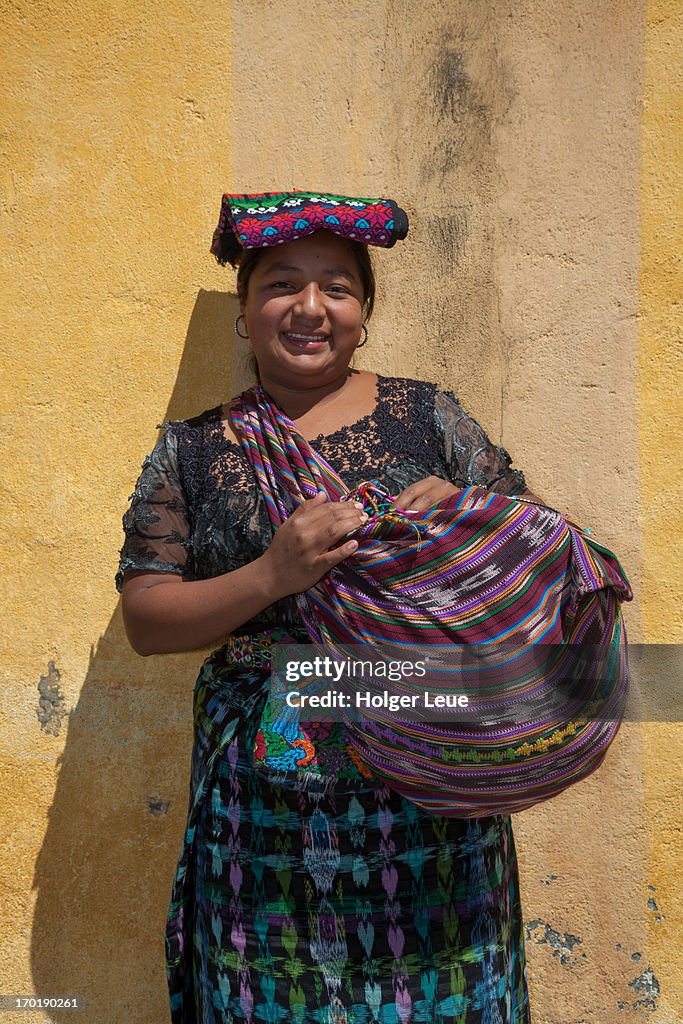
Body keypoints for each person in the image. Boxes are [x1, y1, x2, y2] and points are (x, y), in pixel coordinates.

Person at [117, 191, 541, 1023]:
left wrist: (460, 519)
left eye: (337, 288)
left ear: (364, 313)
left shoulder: (430, 418)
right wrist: (272, 574)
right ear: (244, 312)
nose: (310, 308)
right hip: (261, 802)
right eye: (281, 284)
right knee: (268, 991)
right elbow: (146, 618)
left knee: (439, 986)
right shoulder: (194, 448)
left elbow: (531, 555)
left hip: (424, 779)